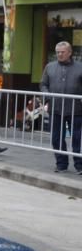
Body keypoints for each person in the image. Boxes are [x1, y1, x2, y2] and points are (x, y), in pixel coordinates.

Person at [41, 41, 82, 173]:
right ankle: (61, 164)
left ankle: (79, 165)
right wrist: (47, 95)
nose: (59, 54)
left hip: (76, 109)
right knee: (56, 137)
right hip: (56, 108)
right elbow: (43, 84)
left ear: (70, 53)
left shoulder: (80, 67)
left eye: (62, 52)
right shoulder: (50, 67)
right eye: (57, 52)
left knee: (77, 138)